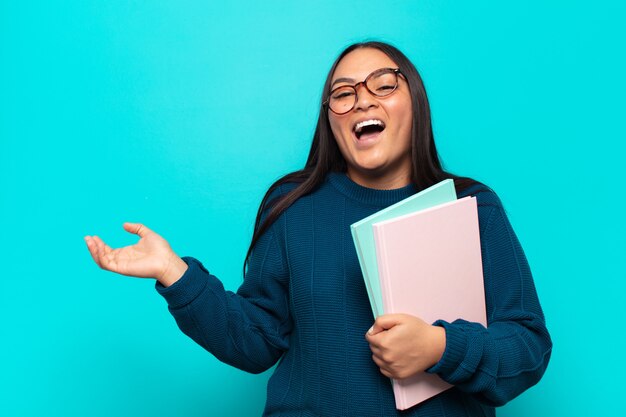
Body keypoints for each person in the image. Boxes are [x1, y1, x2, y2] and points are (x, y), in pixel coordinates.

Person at [84, 41, 552, 416]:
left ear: (416, 103)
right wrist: (174, 272)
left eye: (383, 84)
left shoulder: (471, 207)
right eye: (343, 93)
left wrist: (439, 346)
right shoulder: (293, 207)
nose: (361, 99)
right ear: (331, 119)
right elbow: (256, 340)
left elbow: (528, 347)